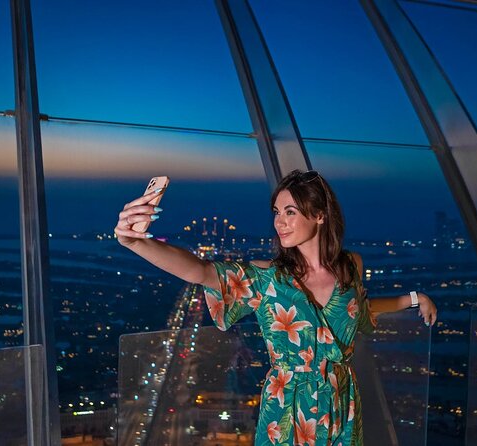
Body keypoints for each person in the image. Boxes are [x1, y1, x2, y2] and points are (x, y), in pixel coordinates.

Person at [114, 169, 437, 446]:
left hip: (342, 403)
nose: (279, 222)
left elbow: (359, 311)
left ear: (320, 215)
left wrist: (413, 299)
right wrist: (136, 242)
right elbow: (200, 271)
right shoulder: (268, 279)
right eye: (276, 212)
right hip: (287, 410)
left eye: (290, 212)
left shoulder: (351, 265)